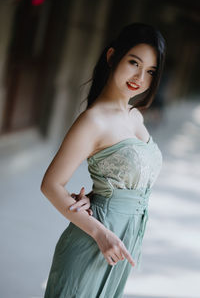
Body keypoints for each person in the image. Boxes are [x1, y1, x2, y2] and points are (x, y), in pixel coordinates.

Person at [41, 22, 166, 298]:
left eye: (150, 71)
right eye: (134, 63)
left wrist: (94, 197)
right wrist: (100, 233)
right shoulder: (93, 121)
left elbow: (124, 180)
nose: (140, 77)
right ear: (112, 57)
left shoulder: (136, 115)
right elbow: (51, 185)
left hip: (123, 242)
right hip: (94, 241)